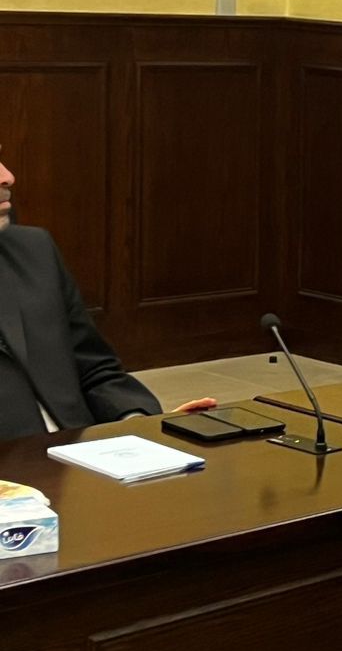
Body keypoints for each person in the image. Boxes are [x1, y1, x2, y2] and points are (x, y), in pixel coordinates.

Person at [0, 153, 213, 441]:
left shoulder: (35, 251)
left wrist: (137, 423)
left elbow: (94, 369)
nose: (7, 177)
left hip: (85, 453)